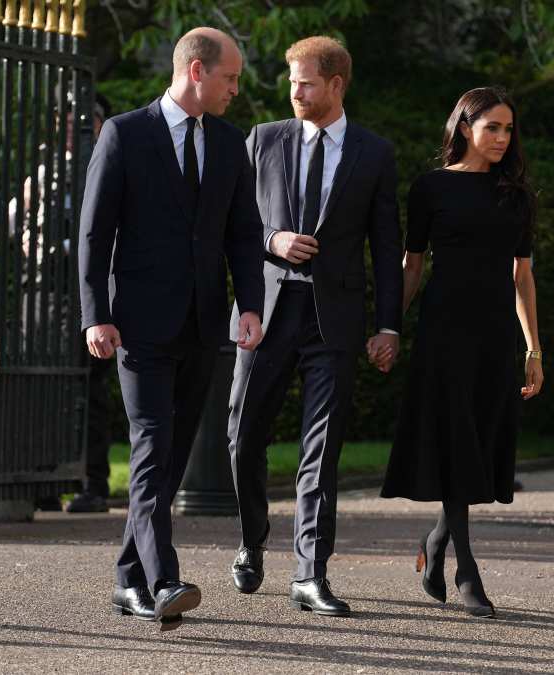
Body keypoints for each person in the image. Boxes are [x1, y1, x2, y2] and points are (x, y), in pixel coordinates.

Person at [78, 27, 265, 631]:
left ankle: (128, 580)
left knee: (171, 457)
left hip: (203, 324)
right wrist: (95, 314)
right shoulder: (125, 134)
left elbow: (242, 232)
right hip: (137, 324)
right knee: (153, 447)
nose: (236, 89)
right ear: (196, 72)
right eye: (230, 77)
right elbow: (94, 231)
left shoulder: (232, 143)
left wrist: (250, 305)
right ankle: (163, 581)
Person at [225, 36, 402, 617]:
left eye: (305, 82)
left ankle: (310, 572)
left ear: (336, 85)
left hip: (335, 318)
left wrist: (388, 326)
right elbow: (237, 223)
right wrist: (273, 240)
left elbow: (386, 245)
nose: (293, 91)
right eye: (291, 81)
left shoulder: (374, 154)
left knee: (321, 449)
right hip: (266, 310)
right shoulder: (264, 138)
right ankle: (252, 540)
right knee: (243, 433)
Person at [381, 87, 543, 618]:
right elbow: (412, 264)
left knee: (478, 442)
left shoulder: (515, 194)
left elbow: (523, 275)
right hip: (443, 331)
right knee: (456, 441)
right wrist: (389, 327)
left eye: (508, 128)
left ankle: (434, 542)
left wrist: (533, 348)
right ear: (464, 127)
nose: (501, 137)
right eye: (492, 126)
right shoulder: (430, 188)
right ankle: (467, 569)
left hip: (495, 335)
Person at [7, 95, 116, 513]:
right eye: (67, 119)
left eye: (86, 119)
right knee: (43, 386)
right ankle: (45, 478)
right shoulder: (46, 168)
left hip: (91, 291)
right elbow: (20, 219)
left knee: (90, 389)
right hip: (44, 288)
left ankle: (94, 482)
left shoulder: (110, 164)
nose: (75, 126)